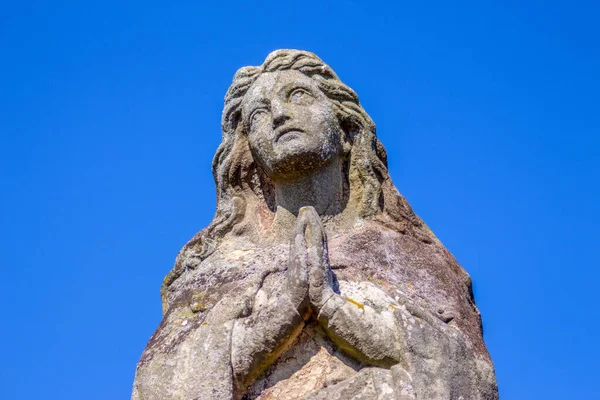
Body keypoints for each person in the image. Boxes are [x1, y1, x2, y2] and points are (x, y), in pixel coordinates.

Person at [132, 50, 498, 400]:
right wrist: (285, 311)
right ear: (250, 157)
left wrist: (330, 307)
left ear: (345, 130)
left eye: (298, 95)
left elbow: (465, 374)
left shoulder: (409, 258)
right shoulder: (215, 271)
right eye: (258, 114)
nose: (278, 114)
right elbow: (163, 383)